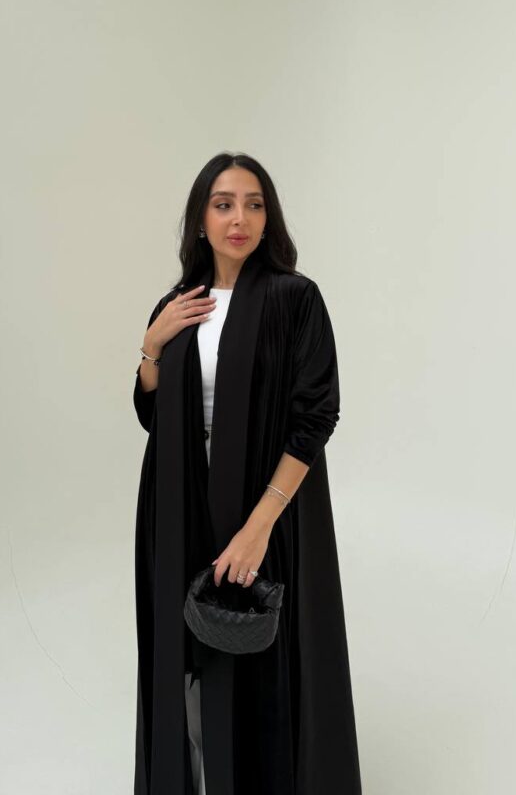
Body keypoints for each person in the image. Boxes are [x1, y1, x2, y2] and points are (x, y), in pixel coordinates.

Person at [132, 152, 362, 794]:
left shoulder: (295, 299)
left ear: (269, 218)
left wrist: (259, 528)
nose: (240, 218)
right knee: (187, 656)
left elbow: (315, 417)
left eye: (254, 204)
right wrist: (152, 345)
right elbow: (153, 414)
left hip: (265, 508)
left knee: (261, 653)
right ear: (200, 220)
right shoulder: (179, 304)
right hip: (179, 505)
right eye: (224, 204)